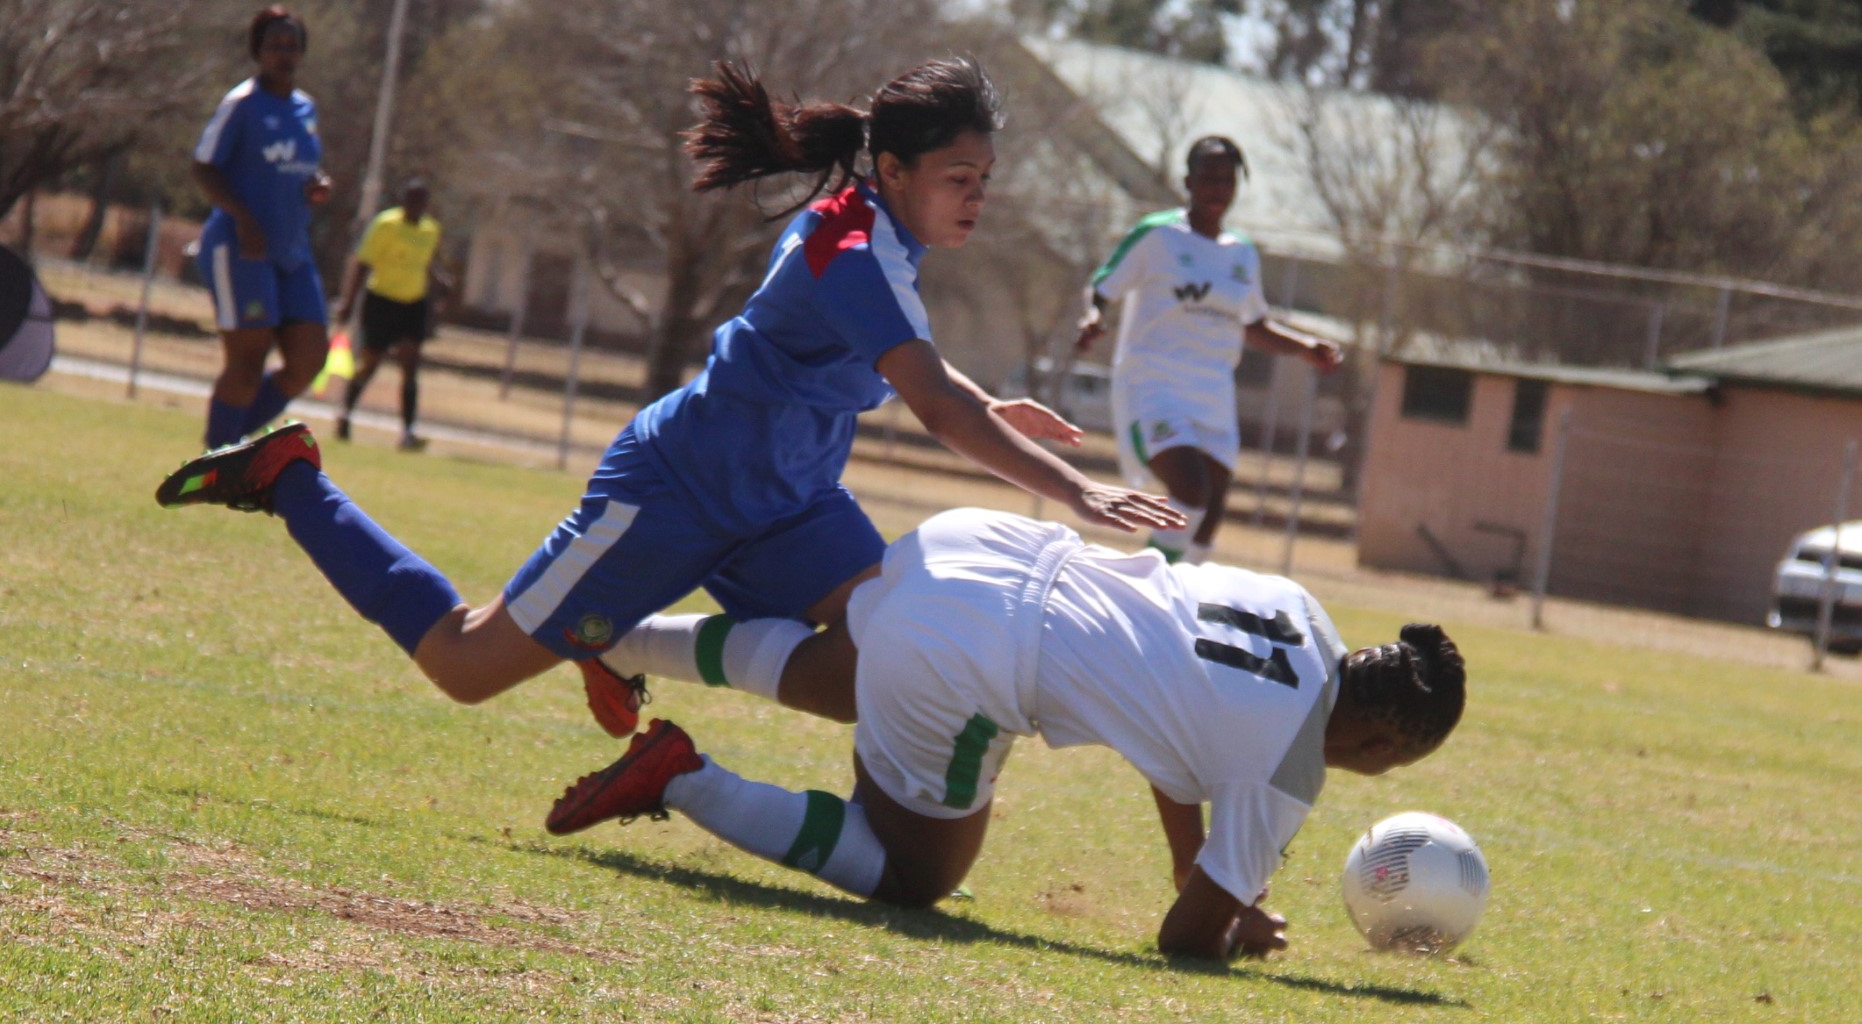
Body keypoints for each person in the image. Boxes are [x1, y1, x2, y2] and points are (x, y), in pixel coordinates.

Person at [154, 58, 1183, 738]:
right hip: (676, 494)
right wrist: (1075, 492)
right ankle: (289, 479)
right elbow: (932, 405)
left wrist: (992, 409)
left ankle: (622, 639)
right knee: (463, 665)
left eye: (985, 177)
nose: (978, 197)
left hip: (788, 505)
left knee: (880, 663)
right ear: (894, 169)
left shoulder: (885, 236)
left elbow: (918, 368)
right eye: (961, 177)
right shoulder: (852, 245)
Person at [544, 507, 1467, 961]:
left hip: (985, 544)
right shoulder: (1287, 770)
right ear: (1383, 749)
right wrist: (1227, 929)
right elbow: (1181, 944)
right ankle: (680, 776)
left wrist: (1199, 868)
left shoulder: (1298, 606)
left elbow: (1183, 731)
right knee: (916, 875)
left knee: (836, 676)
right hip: (978, 652)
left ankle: (612, 638)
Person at [1077, 136, 1344, 565]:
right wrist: (1093, 316)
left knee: (1211, 510)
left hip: (1213, 392)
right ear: (1188, 181)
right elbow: (1103, 285)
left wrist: (1305, 348)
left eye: (1227, 180)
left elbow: (1254, 325)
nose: (1218, 188)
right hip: (1154, 383)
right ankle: (1143, 586)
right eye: (1208, 178)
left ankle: (1184, 594)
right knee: (1190, 489)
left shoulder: (1242, 253)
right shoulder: (1159, 235)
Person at [191, 5, 333, 450]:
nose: (283, 54)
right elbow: (204, 166)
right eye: (274, 45)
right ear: (257, 51)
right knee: (248, 362)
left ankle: (228, 454)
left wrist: (316, 185)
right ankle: (218, 458)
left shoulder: (305, 108)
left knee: (309, 359)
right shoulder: (242, 105)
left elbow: (297, 165)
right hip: (242, 247)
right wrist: (244, 218)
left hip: (292, 249)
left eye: (292, 45)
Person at [333, 178, 450, 451]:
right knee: (370, 363)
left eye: (421, 201)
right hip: (382, 300)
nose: (416, 206)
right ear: (404, 201)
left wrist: (441, 281)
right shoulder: (386, 224)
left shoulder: (430, 230)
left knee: (410, 364)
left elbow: (425, 261)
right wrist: (349, 302)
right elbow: (363, 263)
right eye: (412, 200)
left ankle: (408, 432)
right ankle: (345, 415)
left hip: (413, 303)